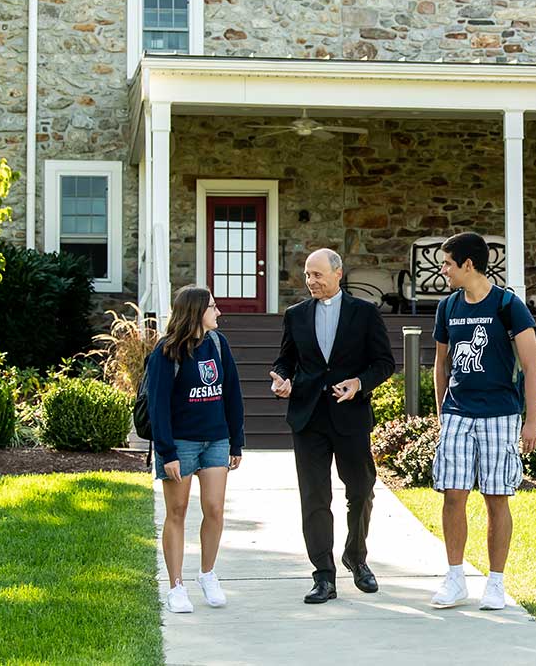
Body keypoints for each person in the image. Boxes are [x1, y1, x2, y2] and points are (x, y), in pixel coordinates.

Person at [269, 248, 395, 604]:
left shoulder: (365, 313)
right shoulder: (295, 315)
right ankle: (323, 575)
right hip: (307, 417)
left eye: (318, 275)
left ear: (338, 273)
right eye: (308, 275)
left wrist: (359, 383)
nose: (311, 281)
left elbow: (384, 363)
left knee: (361, 489)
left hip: (350, 417)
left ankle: (356, 557)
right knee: (314, 497)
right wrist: (281, 378)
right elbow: (286, 359)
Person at [429, 232, 536, 610]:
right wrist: (442, 413)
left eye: (447, 263)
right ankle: (455, 577)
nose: (443, 270)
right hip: (458, 414)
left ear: (468, 264)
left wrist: (531, 422)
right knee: (452, 495)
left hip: (501, 415)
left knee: (496, 498)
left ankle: (495, 583)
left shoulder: (509, 305)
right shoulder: (447, 307)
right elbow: (441, 364)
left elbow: (531, 367)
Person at [147, 285, 245, 614]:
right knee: (176, 513)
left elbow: (232, 394)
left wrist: (236, 440)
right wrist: (166, 452)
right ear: (196, 312)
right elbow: (158, 406)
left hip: (216, 440)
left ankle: (207, 574)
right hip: (181, 444)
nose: (218, 313)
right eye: (213, 308)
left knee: (215, 509)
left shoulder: (218, 344)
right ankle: (176, 586)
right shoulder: (166, 351)